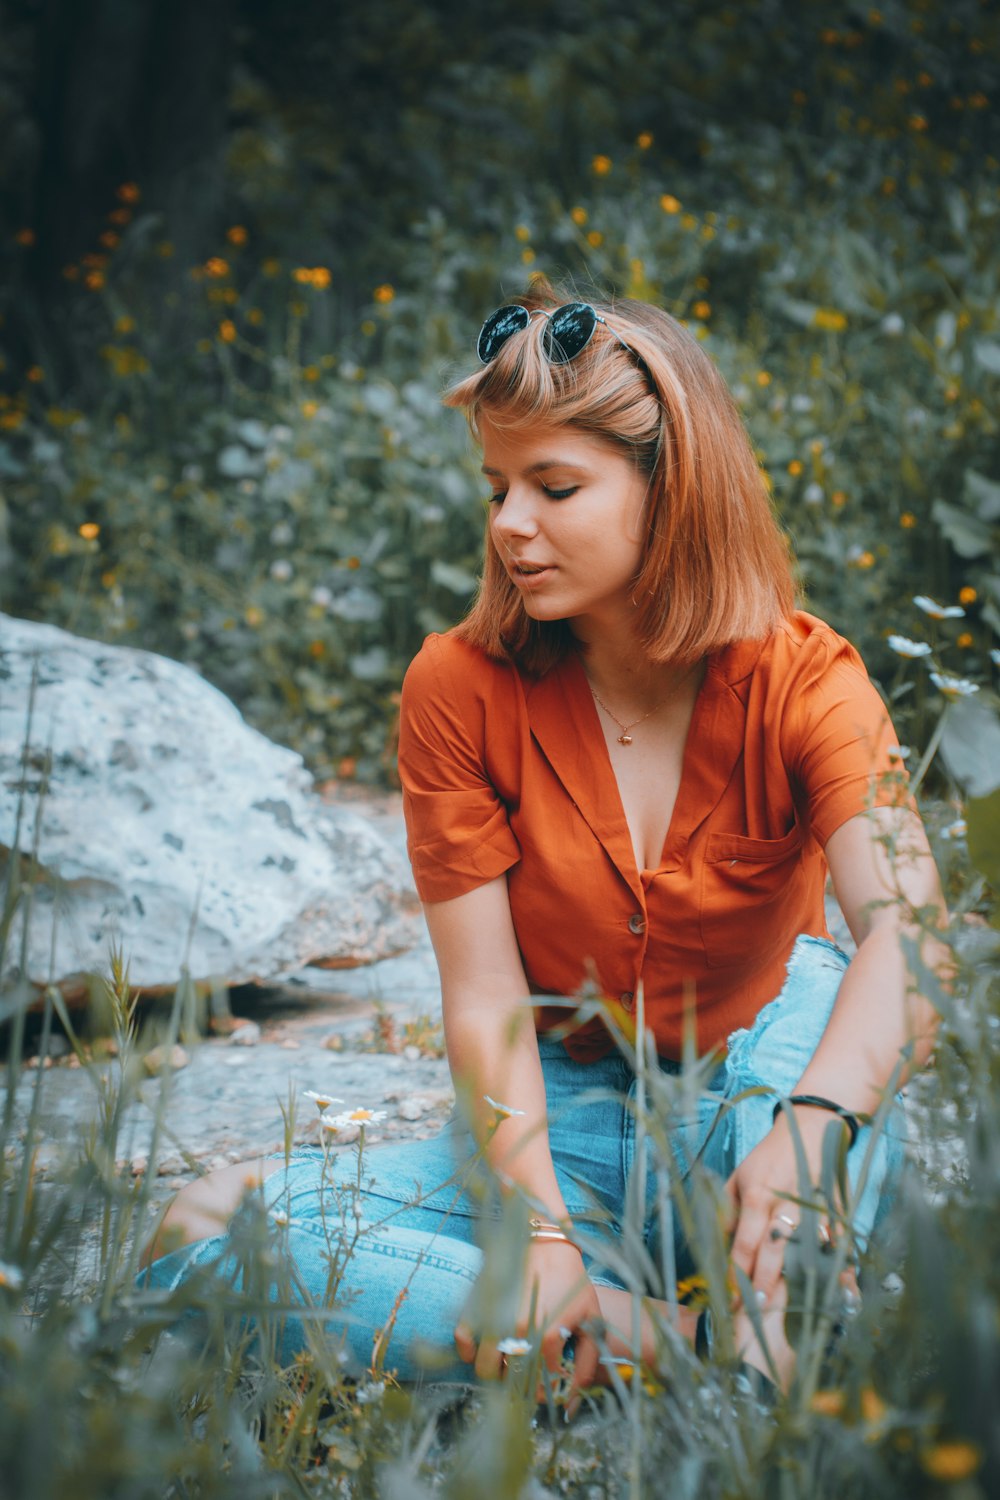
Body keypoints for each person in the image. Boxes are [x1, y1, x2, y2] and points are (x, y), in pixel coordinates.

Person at [140, 278, 947, 1407]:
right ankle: (693, 1350)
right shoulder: (457, 689)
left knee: (823, 983)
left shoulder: (807, 679)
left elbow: (913, 943)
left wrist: (809, 1133)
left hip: (753, 1115)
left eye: (554, 486)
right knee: (204, 1228)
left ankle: (746, 1300)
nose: (510, 524)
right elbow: (484, 1000)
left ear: (674, 492)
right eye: (497, 487)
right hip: (559, 1132)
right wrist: (536, 1235)